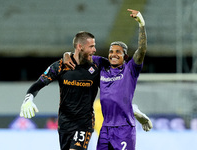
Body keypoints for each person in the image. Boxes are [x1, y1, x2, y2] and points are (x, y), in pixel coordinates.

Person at [63, 9, 151, 150]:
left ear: (125, 56)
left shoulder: (130, 69)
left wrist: (141, 24)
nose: (113, 54)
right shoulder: (101, 65)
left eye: (118, 52)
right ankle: (133, 109)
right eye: (111, 51)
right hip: (105, 128)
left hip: (124, 129)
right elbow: (81, 55)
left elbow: (141, 50)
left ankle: (133, 110)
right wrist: (67, 54)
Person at [20, 31, 100, 150]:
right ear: (80, 47)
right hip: (64, 124)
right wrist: (28, 99)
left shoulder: (97, 67)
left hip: (84, 124)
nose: (95, 50)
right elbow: (38, 84)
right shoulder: (60, 66)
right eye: (91, 46)